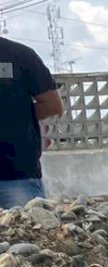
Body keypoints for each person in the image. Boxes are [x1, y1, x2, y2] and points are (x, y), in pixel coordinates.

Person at [0, 37, 63, 208]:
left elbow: (52, 105)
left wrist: (14, 117)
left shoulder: (20, 55)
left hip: (16, 178)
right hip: (17, 179)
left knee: (26, 224)